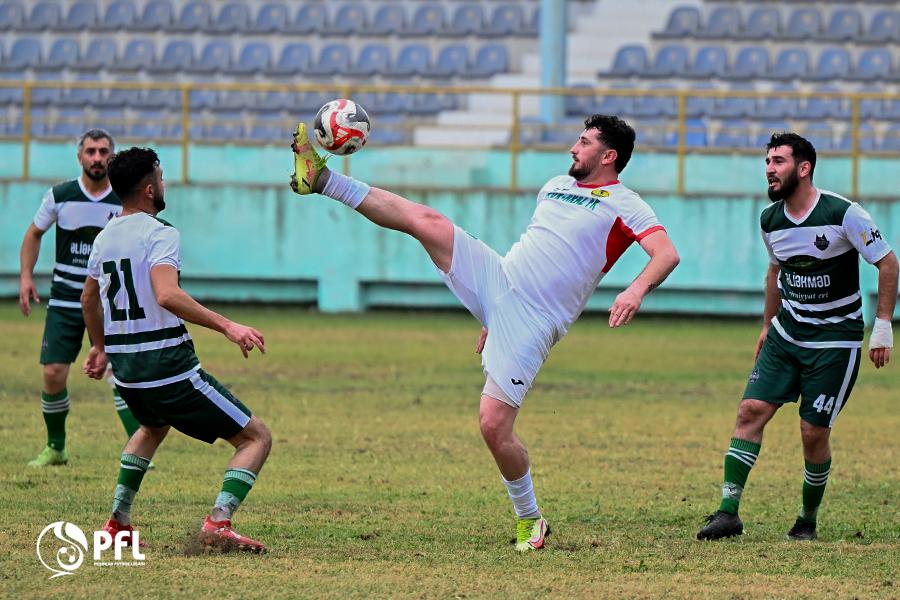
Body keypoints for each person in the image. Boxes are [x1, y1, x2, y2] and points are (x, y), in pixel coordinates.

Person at [289, 114, 681, 551]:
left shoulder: (626, 203)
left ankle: (530, 519)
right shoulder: (554, 185)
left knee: (494, 426)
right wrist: (488, 313)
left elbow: (666, 254)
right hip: (500, 279)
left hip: (534, 319)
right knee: (427, 221)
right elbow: (535, 248)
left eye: (584, 142)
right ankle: (322, 179)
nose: (574, 147)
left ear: (608, 156)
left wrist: (635, 290)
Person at [697, 132, 897, 542]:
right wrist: (768, 324)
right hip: (787, 334)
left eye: (779, 161)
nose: (769, 169)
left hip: (835, 342)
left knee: (813, 433)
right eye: (767, 161)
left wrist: (881, 326)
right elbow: (775, 273)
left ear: (803, 168)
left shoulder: (844, 214)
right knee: (750, 411)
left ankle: (807, 518)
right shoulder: (770, 219)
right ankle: (728, 512)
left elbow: (888, 263)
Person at [80, 146, 272, 553]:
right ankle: (218, 523)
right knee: (256, 438)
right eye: (161, 177)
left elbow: (88, 299)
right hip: (167, 366)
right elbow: (167, 294)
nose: (164, 184)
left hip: (127, 372)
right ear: (149, 189)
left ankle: (117, 523)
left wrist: (99, 346)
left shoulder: (104, 237)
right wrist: (228, 326)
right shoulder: (161, 232)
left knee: (152, 428)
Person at [18, 128, 145, 467]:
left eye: (104, 152)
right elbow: (33, 234)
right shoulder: (61, 195)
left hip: (108, 301)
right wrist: (27, 277)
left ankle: (139, 447)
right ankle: (56, 447)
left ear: (111, 158)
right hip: (64, 299)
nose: (97, 158)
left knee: (120, 373)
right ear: (80, 157)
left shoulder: (123, 199)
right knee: (54, 372)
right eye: (91, 151)